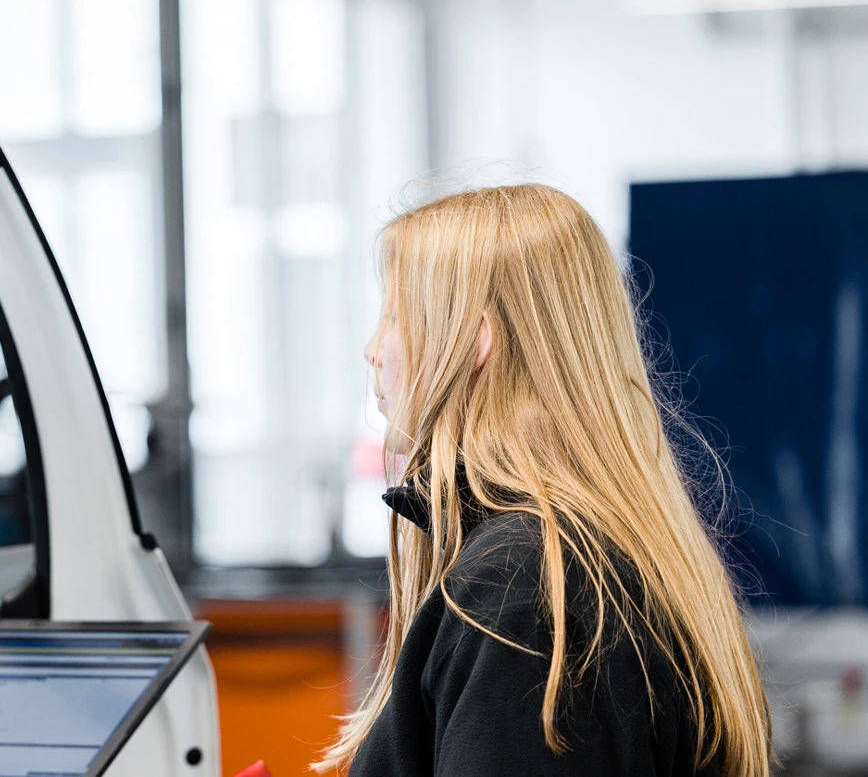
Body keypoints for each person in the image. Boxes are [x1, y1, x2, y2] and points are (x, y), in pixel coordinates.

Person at [315, 185, 772, 777]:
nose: (373, 349)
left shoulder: (523, 585)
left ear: (473, 342)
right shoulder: (589, 552)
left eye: (395, 317)